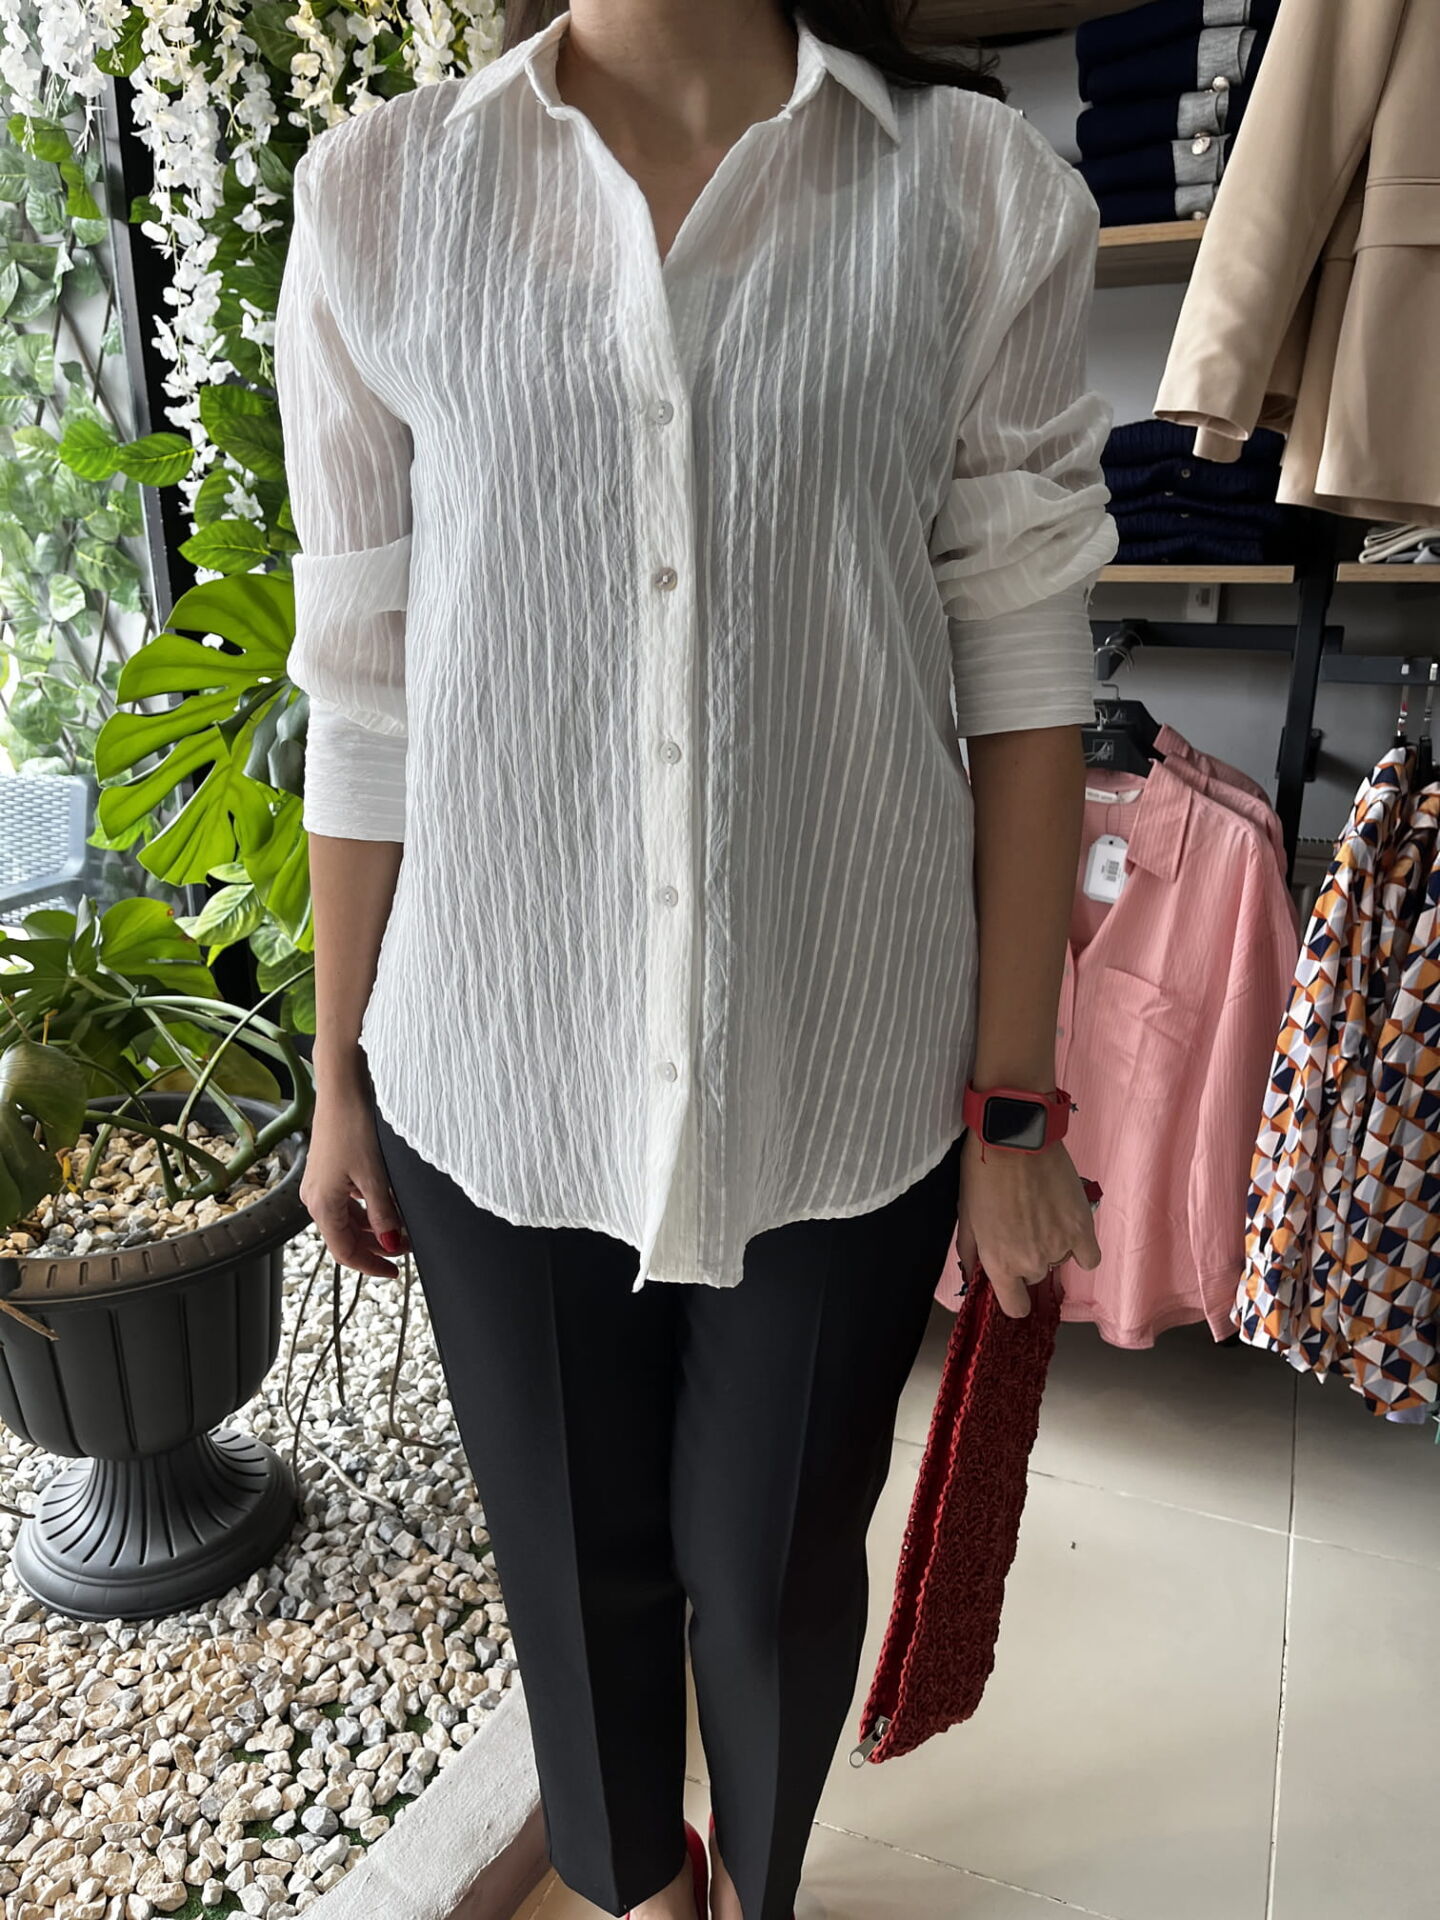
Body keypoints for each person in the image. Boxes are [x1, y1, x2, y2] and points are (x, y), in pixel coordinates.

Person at [274, 3, 1110, 1916]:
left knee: (781, 1569)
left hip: (840, 1064)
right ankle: (638, 1887)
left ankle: (759, 1885)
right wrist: (336, 1074)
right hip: (497, 1058)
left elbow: (1023, 667)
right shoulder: (383, 197)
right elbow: (366, 690)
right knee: (575, 1573)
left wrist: (1013, 1108)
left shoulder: (971, 194)